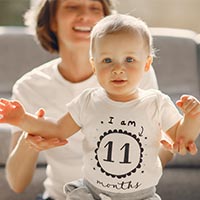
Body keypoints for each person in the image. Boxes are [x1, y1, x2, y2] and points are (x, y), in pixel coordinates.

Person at [5, 1, 195, 200]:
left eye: (94, 8)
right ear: (51, 20)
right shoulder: (30, 86)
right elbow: (17, 184)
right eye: (72, 6)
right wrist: (29, 135)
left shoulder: (135, 74)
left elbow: (167, 141)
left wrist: (168, 145)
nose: (85, 15)